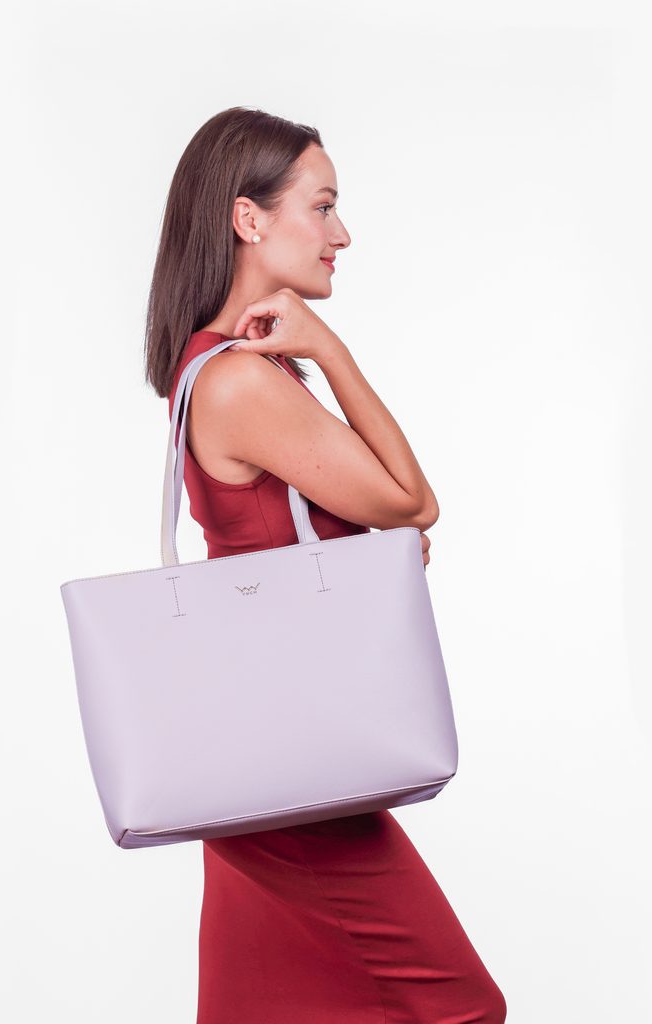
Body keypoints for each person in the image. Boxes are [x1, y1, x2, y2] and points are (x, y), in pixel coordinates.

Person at [145, 106, 507, 1024]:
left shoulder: (232, 369)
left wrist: (366, 549)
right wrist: (329, 348)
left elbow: (348, 522)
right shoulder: (238, 379)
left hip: (265, 745)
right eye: (323, 205)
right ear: (248, 219)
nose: (341, 234)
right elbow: (412, 502)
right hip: (288, 763)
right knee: (462, 1007)